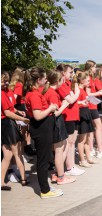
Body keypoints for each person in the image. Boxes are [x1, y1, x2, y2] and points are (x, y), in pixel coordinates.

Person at [24, 67, 63, 198]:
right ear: (38, 80)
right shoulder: (34, 95)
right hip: (41, 129)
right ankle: (45, 191)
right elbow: (37, 115)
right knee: (43, 161)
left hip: (43, 128)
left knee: (44, 159)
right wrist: (51, 108)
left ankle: (45, 187)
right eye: (44, 78)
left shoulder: (34, 92)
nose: (46, 80)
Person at [42, 70, 76, 185]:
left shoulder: (51, 91)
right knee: (59, 151)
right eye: (62, 80)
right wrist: (64, 105)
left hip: (55, 123)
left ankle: (59, 174)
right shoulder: (52, 93)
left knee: (58, 149)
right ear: (57, 81)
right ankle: (60, 176)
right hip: (56, 122)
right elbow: (54, 113)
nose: (64, 82)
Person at [1, 72, 30, 190]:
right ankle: (23, 178)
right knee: (17, 152)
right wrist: (23, 119)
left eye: (7, 81)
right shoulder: (1, 93)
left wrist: (19, 112)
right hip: (7, 124)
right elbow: (7, 113)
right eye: (3, 81)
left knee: (7, 155)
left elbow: (11, 108)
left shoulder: (7, 91)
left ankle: (1, 181)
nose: (6, 83)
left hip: (8, 123)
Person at [56, 64, 84, 176]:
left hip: (74, 115)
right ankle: (66, 168)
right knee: (68, 143)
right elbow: (71, 99)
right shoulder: (61, 85)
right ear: (63, 73)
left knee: (72, 142)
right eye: (70, 72)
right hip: (67, 116)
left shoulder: (67, 83)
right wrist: (77, 90)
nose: (72, 75)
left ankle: (71, 165)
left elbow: (73, 98)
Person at [9, 67, 34, 161]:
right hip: (20, 108)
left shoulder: (13, 84)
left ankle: (22, 154)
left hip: (17, 108)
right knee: (22, 133)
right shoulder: (19, 85)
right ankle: (22, 154)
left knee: (22, 133)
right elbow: (14, 99)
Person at [74, 72, 97, 167]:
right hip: (82, 113)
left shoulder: (83, 90)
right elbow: (75, 102)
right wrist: (82, 102)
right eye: (88, 81)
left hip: (86, 112)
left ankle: (88, 158)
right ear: (82, 81)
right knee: (82, 139)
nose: (89, 82)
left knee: (87, 138)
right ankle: (82, 160)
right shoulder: (78, 90)